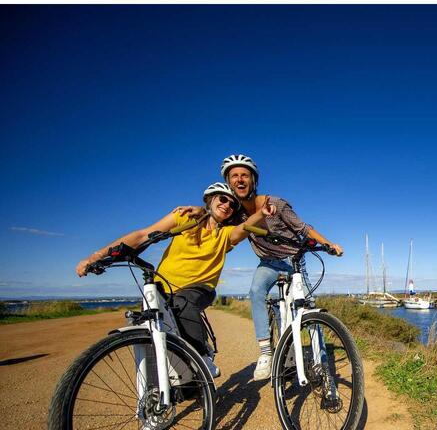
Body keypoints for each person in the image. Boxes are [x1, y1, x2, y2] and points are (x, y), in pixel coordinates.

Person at [76, 182, 274, 380]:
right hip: (163, 287)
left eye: (232, 204)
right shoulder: (184, 218)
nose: (227, 205)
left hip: (199, 289)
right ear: (210, 200)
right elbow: (143, 235)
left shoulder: (224, 235)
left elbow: (245, 227)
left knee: (183, 301)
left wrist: (261, 213)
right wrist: (97, 256)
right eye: (223, 199)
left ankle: (202, 357)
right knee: (152, 328)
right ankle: (164, 389)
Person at [182, 154, 343, 380]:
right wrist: (200, 211)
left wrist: (328, 244)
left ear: (253, 180)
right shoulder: (234, 213)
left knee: (308, 309)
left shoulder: (276, 204)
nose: (240, 179)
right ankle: (267, 353)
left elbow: (304, 228)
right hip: (267, 263)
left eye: (244, 175)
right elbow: (214, 217)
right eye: (234, 176)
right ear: (229, 182)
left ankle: (320, 363)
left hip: (293, 261)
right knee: (256, 292)